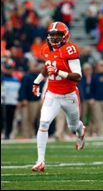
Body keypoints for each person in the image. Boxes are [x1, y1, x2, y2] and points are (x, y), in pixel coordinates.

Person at [31, 21, 86, 172]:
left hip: (69, 95)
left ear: (65, 35)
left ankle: (81, 131)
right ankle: (40, 161)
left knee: (73, 126)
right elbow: (47, 66)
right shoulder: (45, 49)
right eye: (52, 34)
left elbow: (78, 76)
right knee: (43, 123)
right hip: (53, 94)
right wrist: (37, 82)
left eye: (58, 35)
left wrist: (58, 72)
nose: (54, 37)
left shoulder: (70, 50)